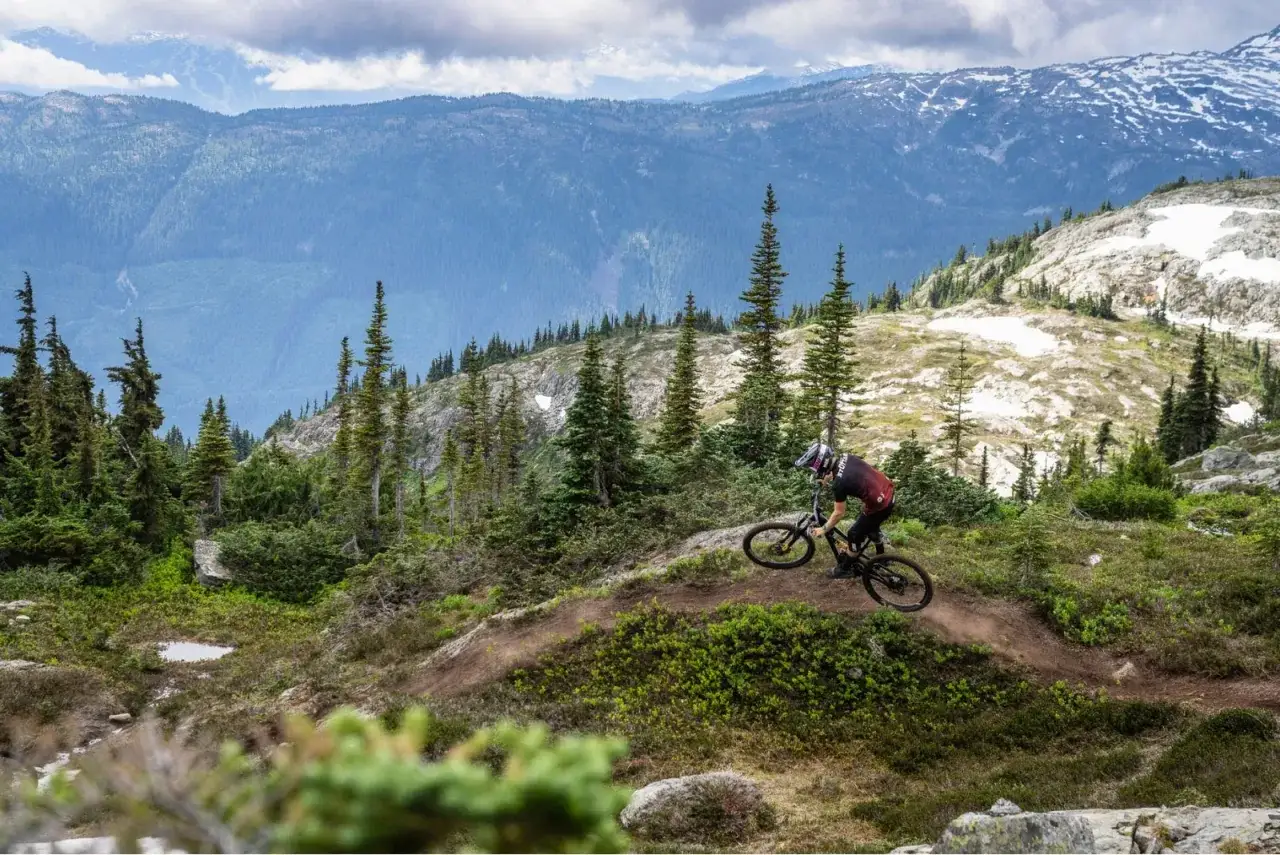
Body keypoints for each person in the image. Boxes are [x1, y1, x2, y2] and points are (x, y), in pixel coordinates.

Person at [794, 441, 896, 578]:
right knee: (869, 526)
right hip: (887, 491)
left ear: (822, 464)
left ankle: (845, 570)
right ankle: (883, 557)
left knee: (854, 534)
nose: (815, 470)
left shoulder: (839, 484)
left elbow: (839, 513)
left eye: (814, 467)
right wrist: (827, 478)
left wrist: (823, 529)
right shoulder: (847, 457)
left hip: (881, 506)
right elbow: (848, 471)